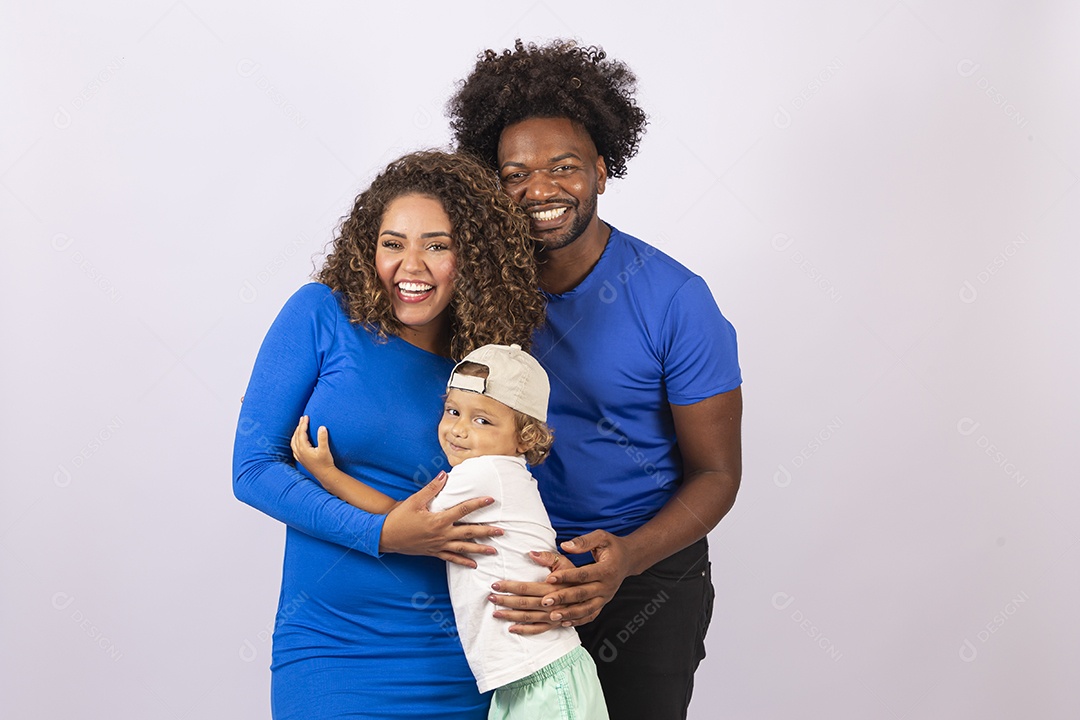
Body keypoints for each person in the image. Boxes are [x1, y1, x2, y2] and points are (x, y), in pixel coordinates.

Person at [447, 40, 744, 719]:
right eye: (516, 172)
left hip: (643, 580)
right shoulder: (474, 291)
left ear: (604, 171)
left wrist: (627, 559)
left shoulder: (675, 300)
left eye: (564, 167)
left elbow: (717, 475)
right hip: (508, 571)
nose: (540, 189)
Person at [232, 150, 547, 719]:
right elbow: (253, 470)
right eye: (393, 243)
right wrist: (382, 534)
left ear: (471, 257)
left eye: (437, 244)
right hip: (329, 649)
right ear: (367, 249)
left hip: (459, 657)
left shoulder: (488, 369)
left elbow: (509, 497)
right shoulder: (321, 315)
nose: (412, 266)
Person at [291, 343, 609, 720]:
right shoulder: (504, 475)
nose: (458, 429)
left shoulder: (483, 473)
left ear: (525, 437)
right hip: (529, 673)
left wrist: (328, 475)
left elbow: (403, 517)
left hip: (541, 676)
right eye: (453, 411)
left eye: (482, 421)